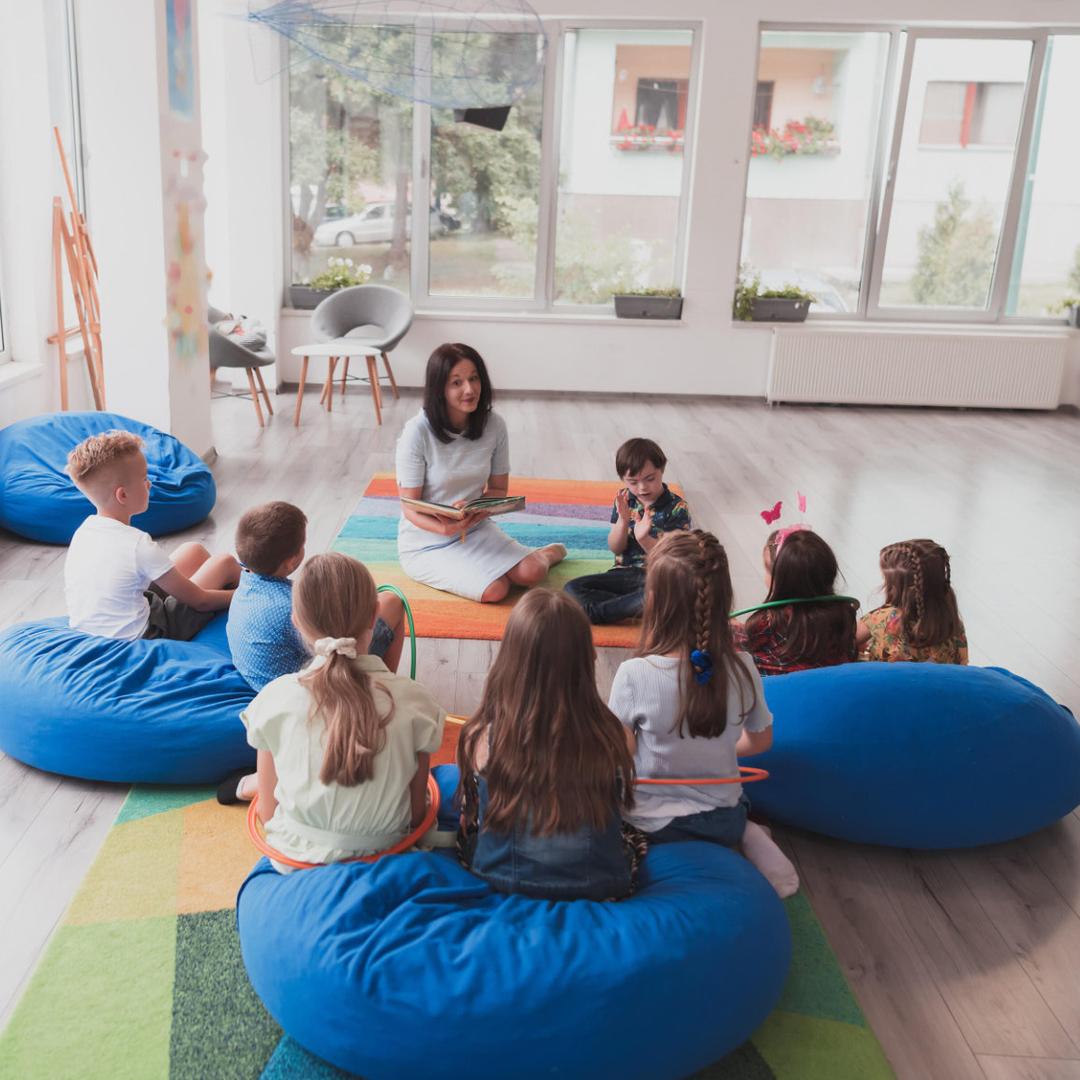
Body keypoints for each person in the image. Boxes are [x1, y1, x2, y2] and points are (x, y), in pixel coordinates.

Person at [609, 530, 798, 898]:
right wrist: (712, 749)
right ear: (724, 598)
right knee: (737, 804)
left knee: (602, 803)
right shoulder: (743, 666)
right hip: (722, 816)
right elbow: (761, 740)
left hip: (650, 823)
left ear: (651, 600)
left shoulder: (635, 674)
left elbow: (620, 750)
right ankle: (749, 834)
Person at [240, 552, 445, 872]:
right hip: (390, 860)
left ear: (296, 620)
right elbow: (416, 816)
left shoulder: (274, 699)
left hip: (296, 867)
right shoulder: (416, 702)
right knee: (447, 779)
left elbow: (268, 815)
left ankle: (243, 785)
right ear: (375, 615)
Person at [456, 589, 646, 901]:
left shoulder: (480, 736)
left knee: (467, 831)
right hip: (599, 882)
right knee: (630, 836)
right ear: (586, 658)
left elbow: (470, 812)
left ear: (510, 659)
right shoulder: (614, 736)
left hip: (501, 876)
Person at [219, 501, 406, 805]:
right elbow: (333, 638)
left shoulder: (247, 581)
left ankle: (253, 784)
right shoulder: (289, 607)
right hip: (314, 686)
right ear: (292, 561)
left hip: (260, 679)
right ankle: (381, 684)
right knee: (393, 603)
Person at [395, 343, 566, 603]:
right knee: (495, 590)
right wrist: (446, 528)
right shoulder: (416, 432)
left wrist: (476, 509)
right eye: (457, 382)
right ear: (439, 389)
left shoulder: (494, 425)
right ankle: (502, 567)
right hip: (426, 541)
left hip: (474, 528)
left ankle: (545, 554)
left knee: (532, 571)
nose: (469, 389)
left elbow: (498, 490)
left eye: (474, 378)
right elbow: (410, 507)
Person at [63, 430, 239, 641]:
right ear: (123, 495)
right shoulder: (137, 544)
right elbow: (200, 601)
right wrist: (237, 597)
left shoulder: (84, 532)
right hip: (145, 634)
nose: (150, 484)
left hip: (105, 623)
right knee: (225, 563)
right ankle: (263, 595)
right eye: (144, 478)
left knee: (193, 551)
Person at [564, 438, 691, 624]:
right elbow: (616, 548)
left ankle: (598, 613)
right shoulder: (625, 500)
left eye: (650, 479)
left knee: (661, 593)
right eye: (633, 482)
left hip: (656, 577)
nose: (642, 487)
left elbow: (673, 560)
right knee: (571, 588)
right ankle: (633, 607)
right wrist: (623, 521)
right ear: (623, 479)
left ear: (662, 470)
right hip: (622, 574)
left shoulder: (677, 507)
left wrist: (644, 539)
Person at [738, 526, 858, 677]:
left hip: (777, 698)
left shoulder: (765, 624)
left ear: (780, 579)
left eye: (767, 570)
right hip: (831, 696)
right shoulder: (844, 616)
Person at [858, 539, 968, 664]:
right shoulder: (953, 624)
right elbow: (962, 663)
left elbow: (847, 640)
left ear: (894, 587)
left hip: (888, 683)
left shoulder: (883, 618)